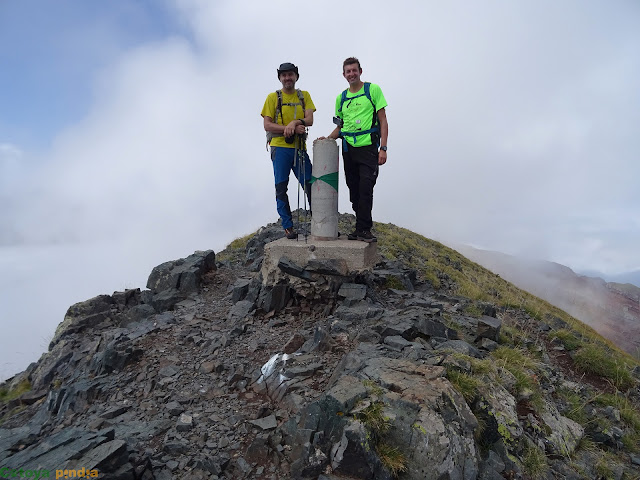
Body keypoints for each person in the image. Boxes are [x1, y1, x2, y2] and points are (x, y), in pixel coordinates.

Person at [322, 57, 388, 243]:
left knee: (366, 188)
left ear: (360, 71)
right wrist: (327, 139)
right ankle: (360, 227)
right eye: (348, 71)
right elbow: (340, 127)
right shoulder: (341, 98)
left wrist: (383, 148)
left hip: (369, 147)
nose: (351, 74)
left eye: (354, 70)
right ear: (344, 75)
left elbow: (383, 120)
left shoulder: (372, 90)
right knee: (354, 190)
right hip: (348, 149)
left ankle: (364, 229)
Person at [261, 62, 315, 239]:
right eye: (284, 75)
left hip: (299, 147)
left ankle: (319, 223)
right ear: (279, 78)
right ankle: (288, 227)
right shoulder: (272, 98)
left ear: (296, 76)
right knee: (281, 187)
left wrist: (295, 123)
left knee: (311, 185)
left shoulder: (304, 95)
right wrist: (289, 128)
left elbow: (310, 119)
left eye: (290, 75)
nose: (287, 78)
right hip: (279, 147)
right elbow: (267, 124)